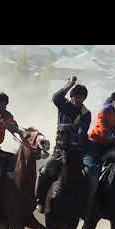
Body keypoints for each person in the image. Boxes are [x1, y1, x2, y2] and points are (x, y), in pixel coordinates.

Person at [35, 76, 91, 213]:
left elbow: (82, 132)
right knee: (44, 172)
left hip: (75, 152)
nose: (78, 100)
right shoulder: (64, 105)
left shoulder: (85, 114)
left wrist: (75, 134)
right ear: (71, 96)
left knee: (87, 176)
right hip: (59, 150)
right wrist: (69, 84)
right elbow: (56, 97)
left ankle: (86, 206)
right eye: (76, 96)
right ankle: (40, 201)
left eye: (81, 97)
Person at [83, 88, 115, 220]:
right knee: (93, 170)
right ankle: (87, 203)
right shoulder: (105, 111)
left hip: (111, 147)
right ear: (113, 100)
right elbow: (102, 131)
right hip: (95, 145)